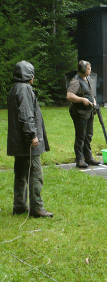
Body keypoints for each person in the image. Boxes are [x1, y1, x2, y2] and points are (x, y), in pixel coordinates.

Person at [7, 61, 53, 218]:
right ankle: (37, 208)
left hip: (18, 142)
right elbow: (26, 115)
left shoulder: (15, 89)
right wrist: (32, 135)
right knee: (35, 173)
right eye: (31, 73)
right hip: (26, 142)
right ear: (28, 75)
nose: (33, 76)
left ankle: (19, 205)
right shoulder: (25, 89)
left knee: (20, 173)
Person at [66, 60, 100, 168]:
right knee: (81, 136)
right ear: (83, 70)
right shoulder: (76, 81)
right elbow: (69, 96)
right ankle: (79, 159)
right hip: (79, 112)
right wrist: (82, 99)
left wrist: (94, 102)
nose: (90, 71)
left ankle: (88, 157)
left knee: (88, 135)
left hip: (89, 112)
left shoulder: (88, 79)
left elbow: (90, 93)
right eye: (89, 69)